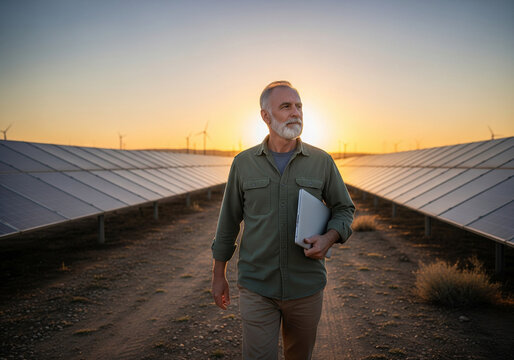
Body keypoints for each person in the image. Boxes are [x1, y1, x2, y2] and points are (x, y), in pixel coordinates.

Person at [211, 81, 355, 360]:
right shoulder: (243, 163)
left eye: (299, 106)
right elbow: (228, 222)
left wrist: (329, 237)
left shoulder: (322, 161)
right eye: (286, 106)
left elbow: (344, 209)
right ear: (266, 116)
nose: (296, 113)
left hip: (306, 287)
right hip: (257, 286)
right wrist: (219, 276)